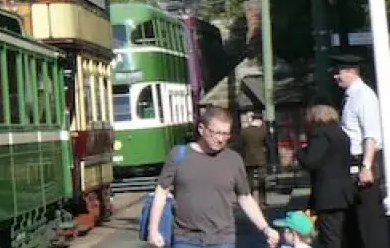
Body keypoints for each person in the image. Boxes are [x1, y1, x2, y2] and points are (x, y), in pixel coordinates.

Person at [147, 106, 282, 248]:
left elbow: (245, 198)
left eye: (225, 134)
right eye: (216, 133)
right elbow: (161, 192)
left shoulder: (233, 159)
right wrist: (153, 230)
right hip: (186, 239)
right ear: (201, 129)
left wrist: (265, 228)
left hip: (222, 239)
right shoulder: (179, 155)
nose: (220, 139)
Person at [333, 53, 389, 248]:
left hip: (364, 163)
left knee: (369, 221)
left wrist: (366, 166)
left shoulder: (364, 96)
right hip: (353, 163)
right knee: (356, 221)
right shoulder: (351, 97)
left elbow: (371, 134)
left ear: (351, 72)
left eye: (338, 72)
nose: (335, 76)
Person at [301, 104, 356, 248]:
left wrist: (300, 152)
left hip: (327, 195)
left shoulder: (320, 134)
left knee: (330, 237)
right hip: (344, 193)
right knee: (343, 235)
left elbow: (310, 162)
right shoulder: (342, 134)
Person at [245, 111, 271, 201]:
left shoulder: (245, 131)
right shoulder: (263, 131)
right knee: (262, 180)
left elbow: (241, 144)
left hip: (248, 158)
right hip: (260, 158)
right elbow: (268, 144)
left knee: (249, 180)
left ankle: (250, 199)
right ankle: (262, 200)